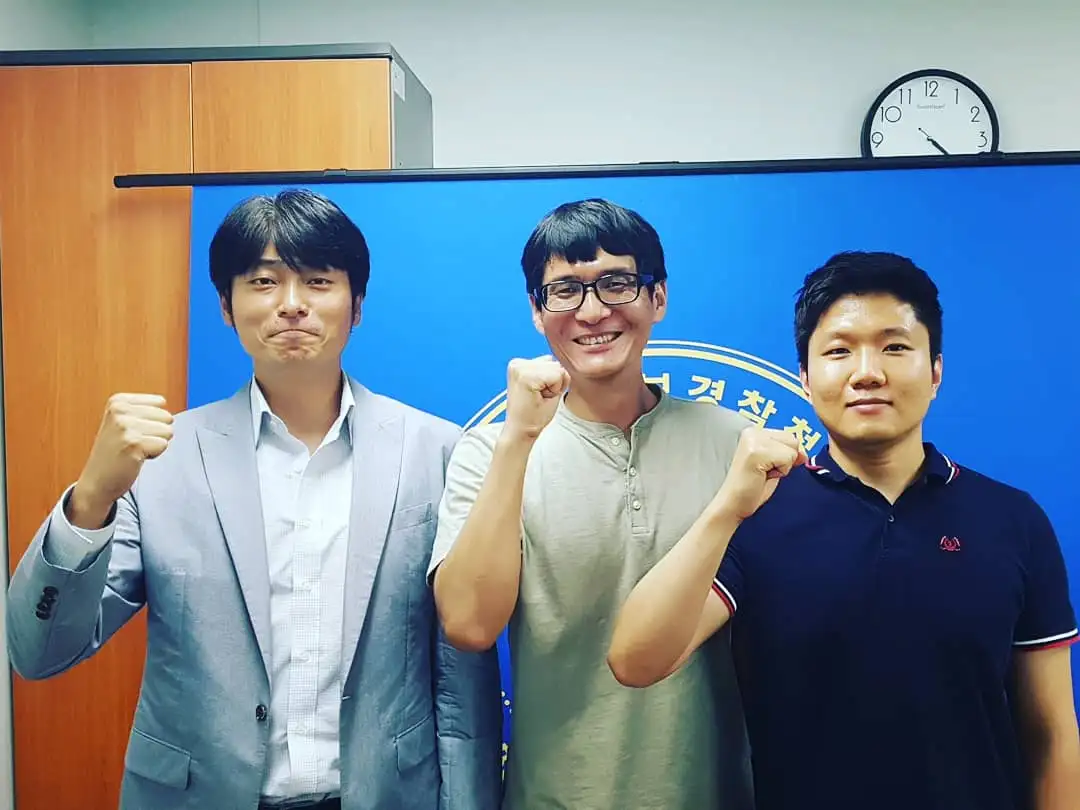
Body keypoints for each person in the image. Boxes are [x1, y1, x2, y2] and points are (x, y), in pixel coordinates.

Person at [6, 189, 503, 810]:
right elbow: (40, 652)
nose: (291, 304)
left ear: (357, 306)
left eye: (318, 280)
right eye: (263, 282)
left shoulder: (437, 450)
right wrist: (92, 498)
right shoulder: (161, 461)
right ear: (226, 305)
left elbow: (460, 682)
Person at [607, 250, 1080, 810]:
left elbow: (1052, 734)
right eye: (839, 351)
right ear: (805, 379)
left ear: (936, 372)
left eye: (895, 347)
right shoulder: (759, 515)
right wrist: (727, 508)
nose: (867, 372)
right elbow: (636, 660)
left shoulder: (1012, 519)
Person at [427, 198, 755, 810]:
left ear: (658, 297)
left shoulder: (735, 445)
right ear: (537, 312)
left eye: (617, 283)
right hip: (556, 794)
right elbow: (468, 625)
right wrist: (519, 438)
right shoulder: (490, 452)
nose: (593, 310)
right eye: (564, 290)